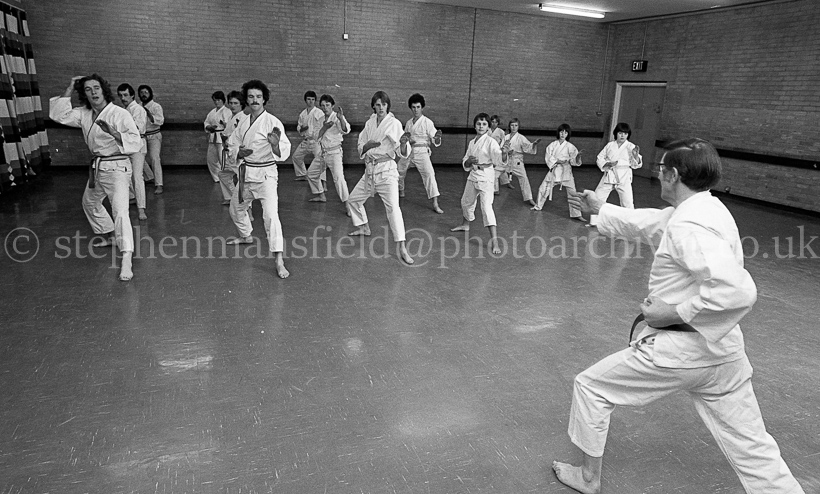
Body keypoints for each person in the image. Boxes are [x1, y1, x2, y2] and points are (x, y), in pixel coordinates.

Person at [554, 138, 806, 494]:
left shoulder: (690, 226)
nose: (658, 178)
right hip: (724, 355)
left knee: (591, 387)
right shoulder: (704, 209)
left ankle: (588, 478)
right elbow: (651, 223)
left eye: (660, 172)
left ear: (672, 174)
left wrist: (670, 313)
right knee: (753, 447)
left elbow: (737, 291)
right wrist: (601, 209)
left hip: (679, 352)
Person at [50, 74, 141, 281]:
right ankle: (111, 237)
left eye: (96, 88)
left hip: (117, 167)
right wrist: (71, 86)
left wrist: (114, 133)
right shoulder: (84, 113)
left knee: (120, 212)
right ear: (84, 94)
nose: (93, 92)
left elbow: (135, 143)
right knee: (89, 202)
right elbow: (58, 115)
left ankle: (127, 257)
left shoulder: (119, 114)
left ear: (104, 90)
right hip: (98, 167)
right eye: (88, 89)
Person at [225, 80, 292, 279]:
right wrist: (238, 152)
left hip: (265, 175)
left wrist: (275, 145)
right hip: (246, 172)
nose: (255, 100)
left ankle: (279, 259)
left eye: (259, 97)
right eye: (251, 96)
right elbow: (231, 143)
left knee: (271, 215)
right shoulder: (243, 121)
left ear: (265, 99)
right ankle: (246, 235)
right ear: (246, 98)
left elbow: (284, 150)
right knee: (235, 208)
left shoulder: (273, 122)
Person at [346, 90, 414, 265]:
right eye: (377, 104)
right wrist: (367, 146)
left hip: (387, 172)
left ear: (388, 106)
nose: (380, 107)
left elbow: (401, 151)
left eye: (383, 104)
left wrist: (404, 144)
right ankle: (364, 227)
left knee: (393, 209)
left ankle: (402, 248)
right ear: (373, 106)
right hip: (370, 170)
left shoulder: (393, 123)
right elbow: (361, 144)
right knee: (353, 200)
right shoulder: (370, 123)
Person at [450, 113, 508, 255]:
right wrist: (468, 162)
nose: (481, 126)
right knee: (466, 201)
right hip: (473, 174)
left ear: (488, 127)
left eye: (484, 124)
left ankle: (495, 241)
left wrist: (505, 154)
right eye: (478, 124)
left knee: (486, 207)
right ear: (475, 126)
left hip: (486, 175)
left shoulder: (490, 142)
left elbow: (498, 157)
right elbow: (465, 159)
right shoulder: (472, 142)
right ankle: (465, 224)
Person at [396, 93, 443, 214]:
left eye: (418, 107)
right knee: (398, 171)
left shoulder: (428, 122)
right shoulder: (409, 123)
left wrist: (437, 138)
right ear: (410, 108)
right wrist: (406, 140)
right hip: (410, 150)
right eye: (413, 107)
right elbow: (404, 137)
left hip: (422, 151)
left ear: (422, 107)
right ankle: (401, 190)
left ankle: (435, 203)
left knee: (429, 174)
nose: (416, 110)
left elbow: (434, 139)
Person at [532, 123, 586, 222]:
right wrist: (557, 161)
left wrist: (578, 157)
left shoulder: (571, 147)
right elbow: (548, 156)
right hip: (554, 171)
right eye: (561, 132)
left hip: (566, 173)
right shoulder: (552, 145)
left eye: (565, 132)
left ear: (568, 134)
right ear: (558, 133)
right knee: (543, 188)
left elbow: (574, 161)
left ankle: (576, 214)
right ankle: (538, 206)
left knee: (573, 193)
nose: (563, 134)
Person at [306, 94, 350, 205]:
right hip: (323, 152)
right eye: (322, 105)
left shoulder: (337, 117)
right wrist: (324, 127)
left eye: (327, 105)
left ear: (332, 105)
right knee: (311, 173)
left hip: (334, 152)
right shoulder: (320, 119)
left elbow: (345, 130)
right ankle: (321, 195)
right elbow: (316, 136)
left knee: (339, 179)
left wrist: (341, 119)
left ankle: (348, 205)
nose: (325, 107)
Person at [593, 122, 642, 211]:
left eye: (625, 133)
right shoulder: (610, 145)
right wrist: (607, 164)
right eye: (620, 133)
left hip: (624, 176)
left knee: (627, 203)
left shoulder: (631, 146)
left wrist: (635, 156)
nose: (622, 136)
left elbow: (637, 165)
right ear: (616, 133)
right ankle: (596, 220)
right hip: (610, 173)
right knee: (597, 198)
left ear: (628, 135)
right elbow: (600, 157)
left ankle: (629, 222)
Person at [117, 83, 148, 221]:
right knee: (125, 175)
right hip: (125, 146)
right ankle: (132, 197)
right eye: (120, 95)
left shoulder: (138, 109)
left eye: (125, 95)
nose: (123, 98)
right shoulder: (124, 110)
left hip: (137, 146)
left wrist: (121, 129)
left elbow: (139, 129)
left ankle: (142, 209)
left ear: (132, 95)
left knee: (137, 176)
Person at [217, 90, 248, 205]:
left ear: (241, 104)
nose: (233, 105)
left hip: (237, 153)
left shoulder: (243, 118)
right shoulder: (232, 117)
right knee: (223, 174)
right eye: (231, 103)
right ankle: (231, 197)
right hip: (229, 151)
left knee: (241, 178)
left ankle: (242, 200)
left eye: (236, 103)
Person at [500, 118, 539, 206]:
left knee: (524, 178)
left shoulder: (521, 138)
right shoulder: (506, 137)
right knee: (495, 171)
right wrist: (505, 151)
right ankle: (490, 191)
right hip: (506, 160)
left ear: (518, 127)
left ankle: (529, 198)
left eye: (516, 125)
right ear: (509, 126)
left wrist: (534, 145)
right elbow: (500, 148)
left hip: (517, 161)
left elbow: (528, 147)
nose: (514, 127)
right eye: (512, 125)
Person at [292, 90, 324, 182]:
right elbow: (299, 127)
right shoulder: (303, 114)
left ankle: (321, 178)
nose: (311, 101)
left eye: (313, 99)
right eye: (309, 99)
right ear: (305, 100)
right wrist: (302, 129)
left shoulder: (319, 112)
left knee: (320, 159)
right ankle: (302, 174)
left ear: (315, 101)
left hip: (316, 141)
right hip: (306, 140)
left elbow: (322, 126)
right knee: (296, 157)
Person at [138, 84, 165, 194]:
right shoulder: (138, 106)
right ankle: (149, 177)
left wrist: (150, 115)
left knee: (154, 158)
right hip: (142, 135)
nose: (144, 94)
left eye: (146, 92)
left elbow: (161, 121)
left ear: (150, 94)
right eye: (142, 93)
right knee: (139, 157)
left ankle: (159, 184)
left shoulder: (156, 106)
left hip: (154, 135)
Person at [204, 90, 232, 185]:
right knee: (211, 159)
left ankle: (227, 177)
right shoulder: (212, 112)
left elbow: (230, 125)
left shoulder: (227, 111)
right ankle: (217, 178)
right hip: (213, 136)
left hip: (222, 137)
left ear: (223, 100)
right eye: (215, 100)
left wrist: (224, 124)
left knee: (222, 158)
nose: (216, 102)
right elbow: (206, 122)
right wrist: (209, 127)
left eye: (218, 100)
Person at [489, 114, 512, 194]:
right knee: (497, 168)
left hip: (498, 150)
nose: (494, 124)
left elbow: (504, 140)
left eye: (496, 122)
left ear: (498, 123)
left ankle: (496, 189)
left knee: (498, 168)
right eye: (492, 122)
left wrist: (502, 149)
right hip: (489, 151)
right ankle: (506, 183)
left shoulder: (500, 131)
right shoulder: (487, 130)